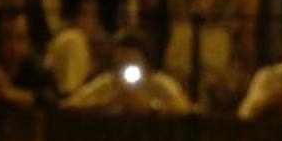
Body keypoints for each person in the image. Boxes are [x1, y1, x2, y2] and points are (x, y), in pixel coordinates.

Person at [62, 28, 192, 112]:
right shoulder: (107, 83)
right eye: (121, 64)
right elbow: (70, 105)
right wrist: (106, 104)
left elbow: (184, 109)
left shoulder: (160, 83)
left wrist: (150, 107)